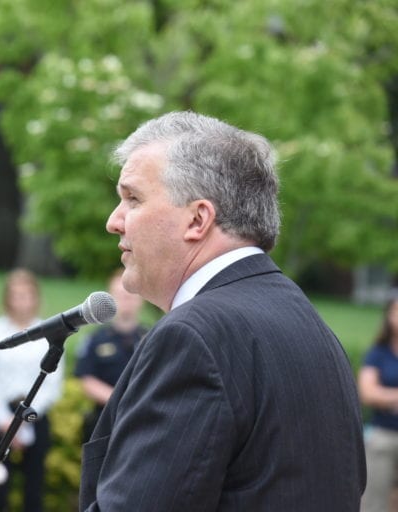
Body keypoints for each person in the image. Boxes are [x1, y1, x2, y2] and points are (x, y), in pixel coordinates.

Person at [79, 111, 365, 511]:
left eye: (133, 199)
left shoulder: (193, 336)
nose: (114, 221)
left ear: (197, 219)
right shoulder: (309, 323)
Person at [0, 269, 63, 512]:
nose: (22, 301)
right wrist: (3, 420)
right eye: (16, 295)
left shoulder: (50, 333)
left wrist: (25, 422)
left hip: (35, 416)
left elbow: (53, 382)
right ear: (7, 298)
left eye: (27, 295)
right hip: (0, 416)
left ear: (36, 297)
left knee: (34, 486)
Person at [74, 269, 147, 443]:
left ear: (141, 299)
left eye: (131, 295)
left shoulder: (152, 337)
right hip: (104, 420)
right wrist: (121, 400)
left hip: (142, 422)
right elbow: (86, 379)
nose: (126, 300)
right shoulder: (95, 339)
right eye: (121, 295)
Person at [358, 294, 398, 512]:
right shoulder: (378, 354)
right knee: (373, 503)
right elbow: (368, 392)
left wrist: (387, 396)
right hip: (384, 434)